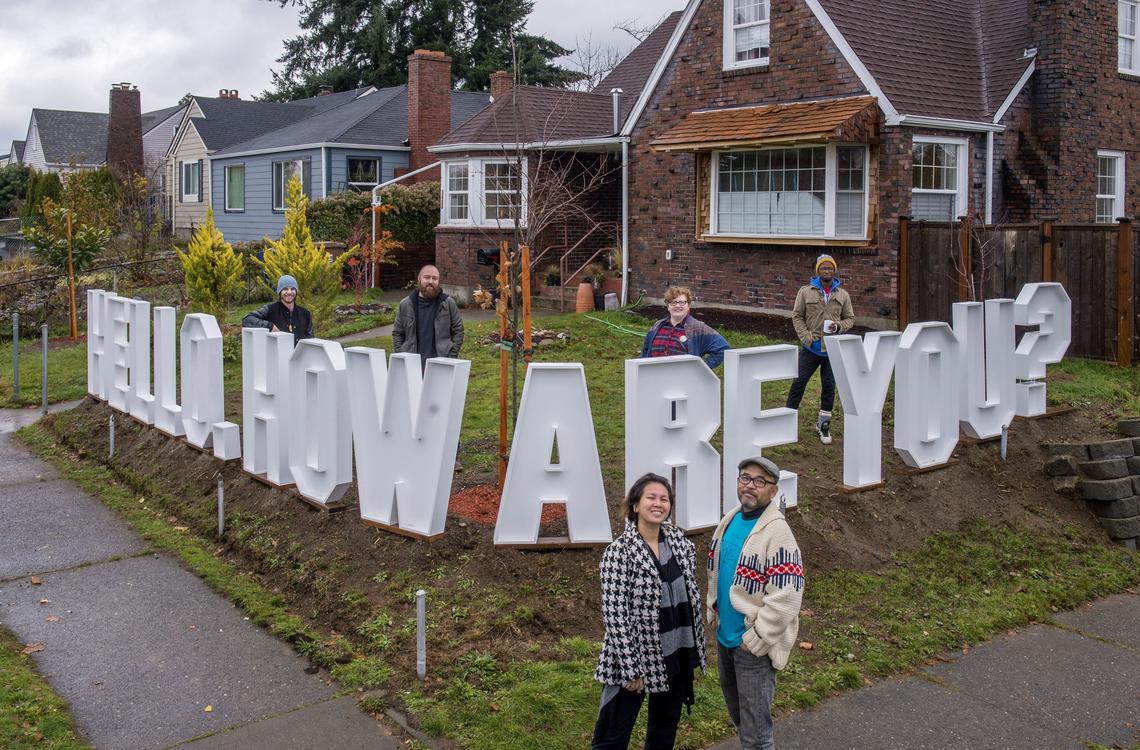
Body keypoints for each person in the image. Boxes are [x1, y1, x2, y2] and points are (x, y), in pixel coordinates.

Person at [593, 473, 706, 750]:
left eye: (664, 499)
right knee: (612, 736)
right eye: (651, 497)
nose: (658, 503)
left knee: (664, 733)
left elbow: (689, 594)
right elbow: (615, 616)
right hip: (633, 660)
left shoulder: (680, 542)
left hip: (676, 652)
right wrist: (632, 669)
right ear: (635, 505)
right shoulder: (618, 553)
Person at [707, 457, 803, 750]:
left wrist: (758, 637)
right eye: (745, 478)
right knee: (740, 719)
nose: (750, 486)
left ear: (773, 492)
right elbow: (718, 570)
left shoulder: (778, 533)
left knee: (757, 734)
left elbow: (787, 594)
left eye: (760, 481)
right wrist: (714, 607)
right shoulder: (733, 519)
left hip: (752, 647)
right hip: (726, 639)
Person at [786, 255, 855, 444]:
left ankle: (823, 425)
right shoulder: (806, 292)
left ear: (834, 271)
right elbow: (797, 316)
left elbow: (850, 318)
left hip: (831, 351)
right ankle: (786, 423)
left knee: (829, 388)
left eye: (830, 268)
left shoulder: (842, 295)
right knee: (798, 383)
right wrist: (807, 339)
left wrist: (839, 326)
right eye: (823, 268)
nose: (827, 271)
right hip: (811, 349)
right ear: (818, 271)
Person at [392, 264, 464, 368]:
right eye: (427, 277)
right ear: (419, 279)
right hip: (412, 364)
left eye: (434, 278)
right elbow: (398, 333)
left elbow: (458, 331)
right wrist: (401, 354)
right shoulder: (406, 304)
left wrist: (451, 356)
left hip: (441, 362)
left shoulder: (448, 303)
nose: (431, 281)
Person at [641, 286, 730, 369]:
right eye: (673, 302)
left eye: (682, 302)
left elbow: (722, 348)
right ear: (668, 306)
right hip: (656, 376)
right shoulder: (657, 326)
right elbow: (645, 352)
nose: (678, 305)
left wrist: (702, 369)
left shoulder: (698, 328)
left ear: (688, 306)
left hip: (684, 381)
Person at [241, 274, 313, 346]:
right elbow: (247, 319)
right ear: (280, 292)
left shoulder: (305, 314)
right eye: (285, 289)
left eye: (292, 289)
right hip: (276, 355)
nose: (289, 292)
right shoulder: (270, 309)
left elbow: (310, 339)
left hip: (299, 356)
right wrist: (269, 326)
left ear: (296, 291)